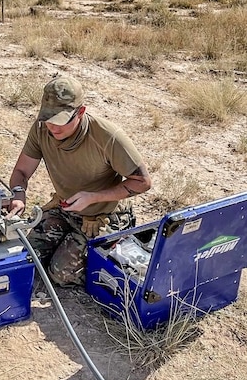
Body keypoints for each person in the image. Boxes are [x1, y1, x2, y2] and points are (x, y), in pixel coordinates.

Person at [8, 76, 152, 287]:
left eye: (60, 120)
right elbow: (21, 170)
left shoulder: (106, 136)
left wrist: (93, 198)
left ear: (81, 112)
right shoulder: (41, 129)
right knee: (28, 258)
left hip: (103, 215)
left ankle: (119, 243)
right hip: (66, 207)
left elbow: (143, 181)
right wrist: (18, 195)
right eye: (48, 119)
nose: (53, 128)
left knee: (61, 274)